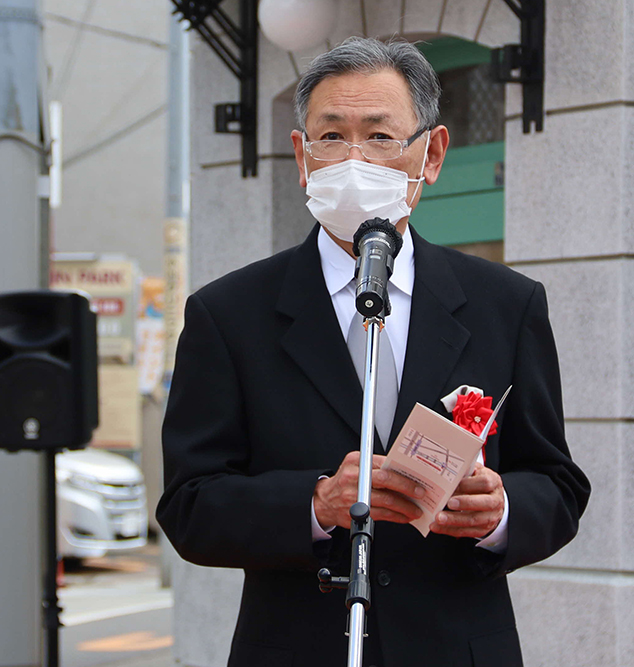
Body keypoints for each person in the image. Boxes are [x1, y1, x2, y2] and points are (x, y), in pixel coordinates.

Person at [158, 37, 590, 667]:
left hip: (459, 648)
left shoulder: (507, 304)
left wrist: (498, 512)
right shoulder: (228, 314)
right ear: (302, 157)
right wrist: (314, 504)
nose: (352, 158)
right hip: (297, 647)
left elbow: (556, 483)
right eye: (331, 137)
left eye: (381, 137)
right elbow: (189, 503)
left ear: (431, 154)